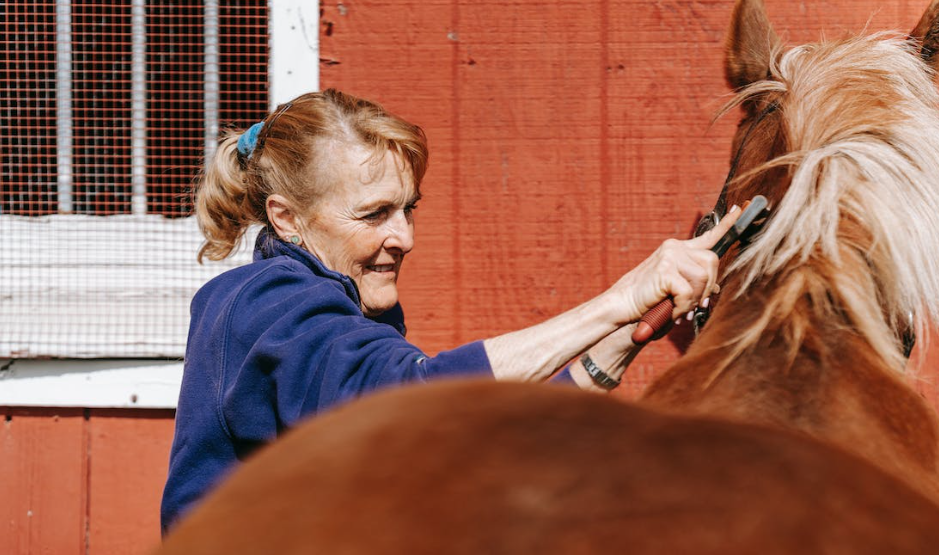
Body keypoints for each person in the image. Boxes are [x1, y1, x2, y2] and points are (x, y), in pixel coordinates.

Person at [160, 88, 741, 534]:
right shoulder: (268, 301)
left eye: (408, 209)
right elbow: (413, 402)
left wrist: (619, 339)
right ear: (286, 219)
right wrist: (620, 299)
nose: (404, 237)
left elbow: (464, 441)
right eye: (374, 214)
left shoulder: (338, 304)